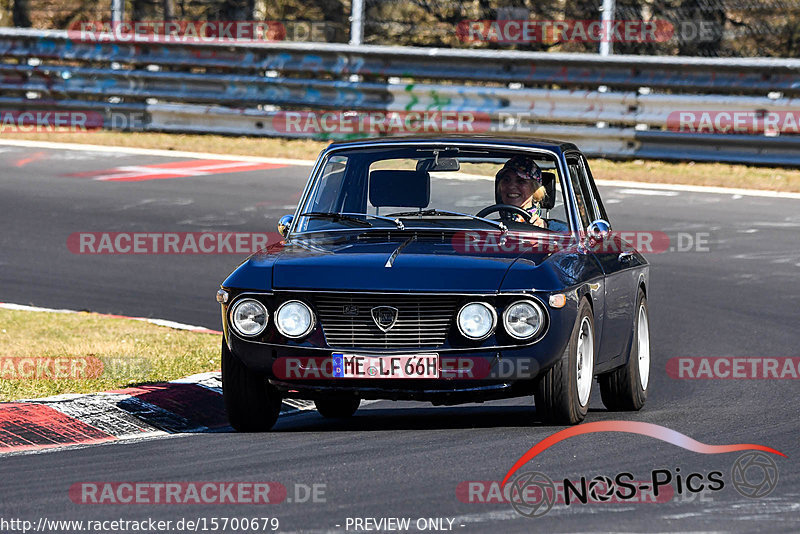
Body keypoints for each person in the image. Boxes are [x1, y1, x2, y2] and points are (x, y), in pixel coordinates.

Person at [495, 155, 548, 228]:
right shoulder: (487, 227)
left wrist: (543, 232)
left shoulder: (556, 230)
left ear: (535, 188)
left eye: (521, 181)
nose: (511, 186)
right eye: (506, 180)